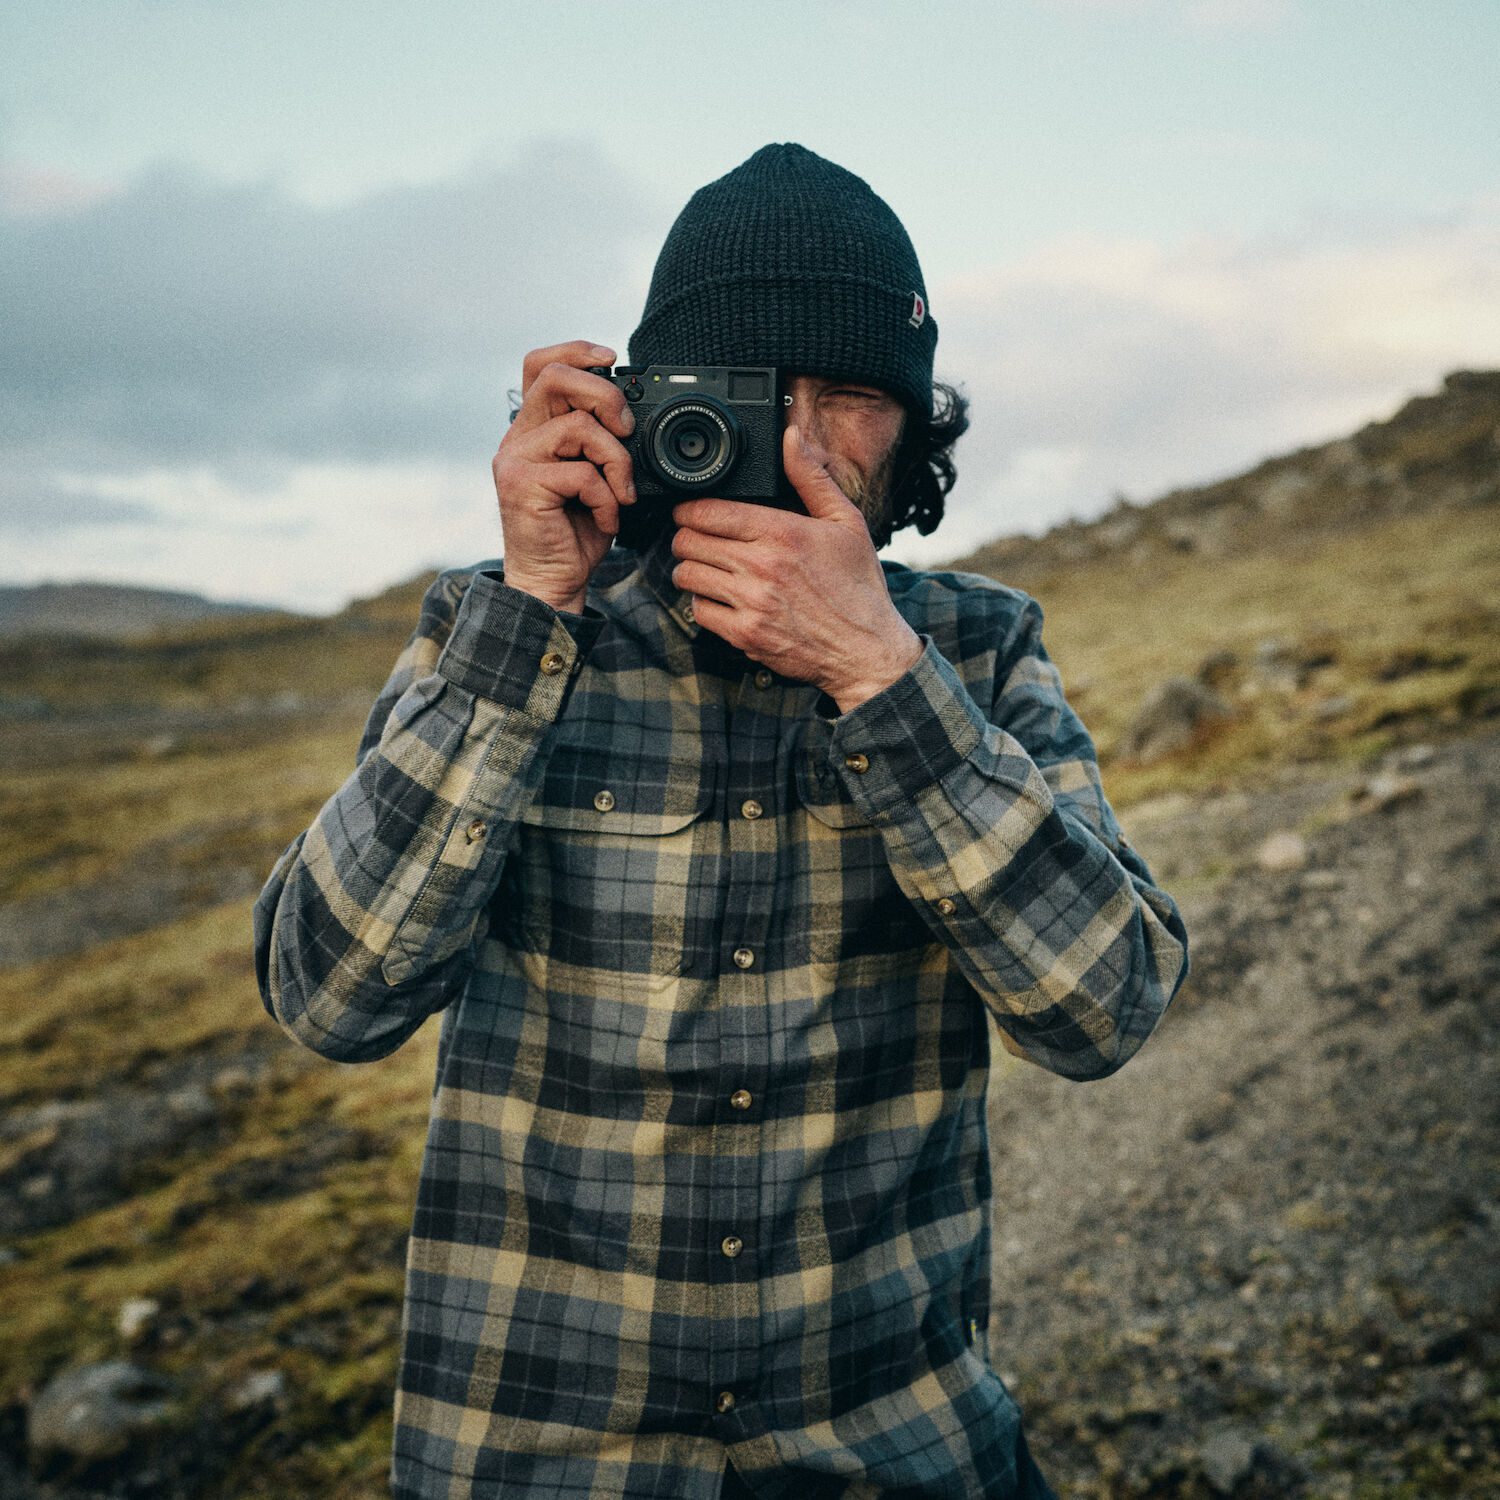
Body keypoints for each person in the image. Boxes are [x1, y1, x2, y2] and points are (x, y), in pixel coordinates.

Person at [254, 143, 1189, 1500]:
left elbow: (1109, 1009)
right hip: (540, 1454)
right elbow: (328, 998)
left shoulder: (975, 654)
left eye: (855, 395)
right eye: (746, 397)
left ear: (916, 427)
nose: (800, 447)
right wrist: (529, 612)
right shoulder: (509, 626)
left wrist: (883, 679)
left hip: (895, 1441)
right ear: (640, 412)